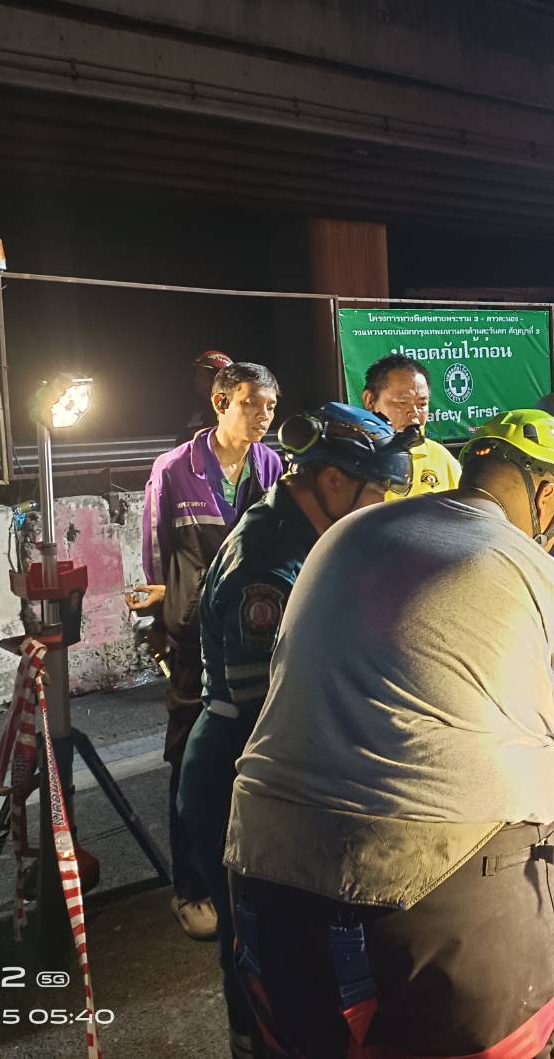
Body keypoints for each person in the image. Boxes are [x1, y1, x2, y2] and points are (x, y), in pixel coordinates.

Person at [223, 408, 554, 1058]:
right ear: (547, 495)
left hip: (264, 866)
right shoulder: (540, 576)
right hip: (444, 889)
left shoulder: (348, 534)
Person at [178, 403, 417, 1059]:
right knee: (257, 945)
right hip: (242, 769)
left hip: (277, 762)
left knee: (293, 945)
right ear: (333, 480)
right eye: (378, 490)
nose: (384, 507)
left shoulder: (311, 534)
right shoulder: (269, 561)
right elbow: (273, 707)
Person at [130, 360, 282, 940]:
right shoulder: (173, 469)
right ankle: (191, 887)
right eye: (251, 404)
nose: (263, 416)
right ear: (221, 403)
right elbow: (155, 555)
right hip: (192, 637)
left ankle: (247, 874)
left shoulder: (272, 466)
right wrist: (160, 623)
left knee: (253, 754)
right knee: (191, 758)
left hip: (256, 634)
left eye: (271, 407)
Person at [361, 353, 462, 496]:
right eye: (402, 403)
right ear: (370, 400)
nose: (414, 413)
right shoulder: (351, 461)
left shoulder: (442, 459)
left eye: (422, 404)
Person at [179, 349, 233, 443]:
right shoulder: (199, 408)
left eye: (201, 375)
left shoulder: (230, 412)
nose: (196, 380)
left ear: (215, 379)